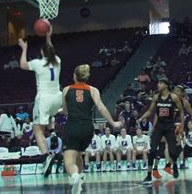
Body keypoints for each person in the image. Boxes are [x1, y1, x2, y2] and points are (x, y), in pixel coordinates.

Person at [60, 65, 122, 193]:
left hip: (72, 126)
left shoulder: (66, 90)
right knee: (77, 154)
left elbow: (65, 111)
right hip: (87, 128)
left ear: (75, 76)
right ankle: (80, 180)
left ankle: (75, 177)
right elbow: (101, 107)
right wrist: (113, 123)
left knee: (69, 161)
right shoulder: (93, 90)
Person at [18, 27, 63, 176]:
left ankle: (46, 156)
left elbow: (23, 65)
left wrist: (24, 48)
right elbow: (51, 50)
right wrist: (48, 36)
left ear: (42, 53)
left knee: (37, 130)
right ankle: (53, 131)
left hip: (44, 98)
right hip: (57, 97)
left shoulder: (38, 63)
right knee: (50, 115)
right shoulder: (57, 60)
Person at [136, 78, 184, 184]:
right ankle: (148, 175)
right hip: (159, 127)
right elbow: (150, 110)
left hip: (170, 126)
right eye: (158, 82)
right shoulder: (156, 97)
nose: (158, 84)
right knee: (152, 150)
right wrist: (141, 118)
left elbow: (181, 112)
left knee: (172, 151)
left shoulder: (174, 97)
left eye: (161, 83)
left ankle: (174, 166)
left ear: (166, 85)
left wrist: (182, 126)